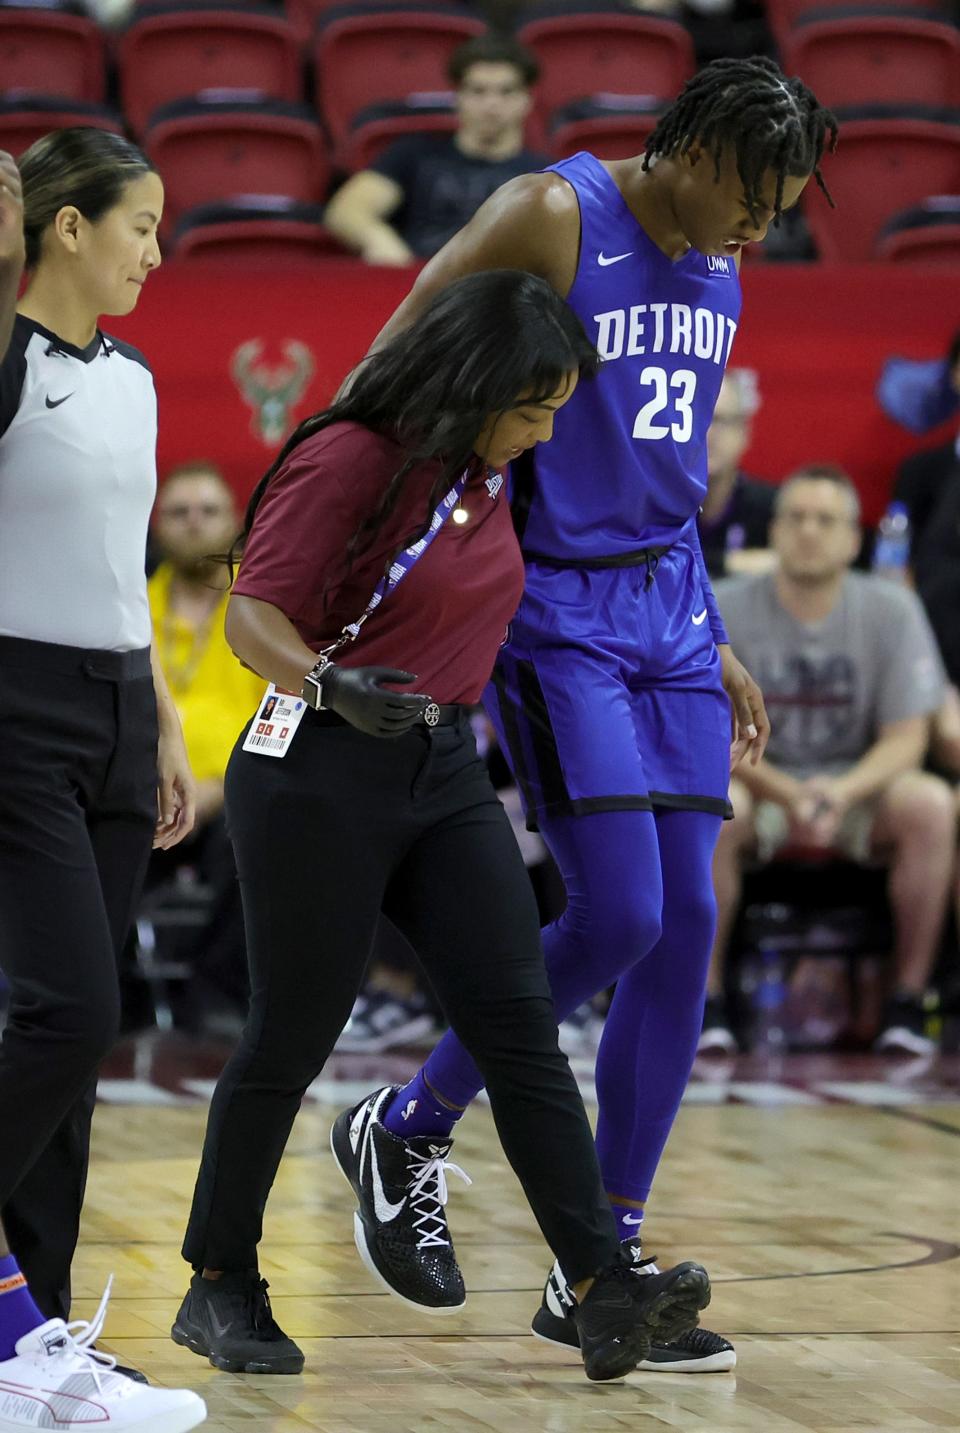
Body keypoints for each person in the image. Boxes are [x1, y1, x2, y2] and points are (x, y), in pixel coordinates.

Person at [333, 55, 837, 1375]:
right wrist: (355, 523)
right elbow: (406, 342)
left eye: (785, 207)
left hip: (670, 610)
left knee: (687, 933)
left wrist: (715, 629)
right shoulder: (556, 215)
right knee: (619, 913)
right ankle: (406, 1120)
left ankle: (596, 1268)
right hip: (556, 612)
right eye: (755, 194)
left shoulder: (725, 255)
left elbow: (664, 468)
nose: (762, 226)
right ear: (691, 147)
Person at [169, 270, 712, 1385]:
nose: (546, 429)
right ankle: (218, 1281)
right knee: (293, 1032)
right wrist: (328, 684)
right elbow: (253, 614)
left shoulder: (489, 473)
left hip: (439, 765)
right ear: (477, 384)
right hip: (317, 767)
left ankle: (600, 1282)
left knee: (519, 1020)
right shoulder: (351, 454)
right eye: (534, 405)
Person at [0, 131, 205, 1429]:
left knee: (75, 1052)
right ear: (65, 227)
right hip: (13, 714)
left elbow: (116, 570)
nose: (155, 248)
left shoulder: (131, 376)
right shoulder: (8, 360)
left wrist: (170, 720)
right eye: (138, 223)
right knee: (65, 1011)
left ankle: (31, 1349)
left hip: (123, 717)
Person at [703, 465, 954, 1056]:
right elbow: (709, 734)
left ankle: (910, 1001)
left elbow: (907, 737)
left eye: (826, 520)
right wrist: (790, 793)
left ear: (853, 539)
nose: (809, 532)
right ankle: (705, 1001)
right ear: (775, 530)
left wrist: (839, 795)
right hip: (760, 786)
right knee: (713, 804)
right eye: (795, 518)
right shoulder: (723, 609)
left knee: (931, 803)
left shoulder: (893, 610)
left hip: (858, 791)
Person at [146, 463, 265, 1027]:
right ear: (155, 525)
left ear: (237, 522)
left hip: (230, 798)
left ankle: (216, 994)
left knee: (262, 829)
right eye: (178, 512)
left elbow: (280, 717)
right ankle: (114, 998)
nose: (194, 524)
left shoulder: (265, 609)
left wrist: (216, 788)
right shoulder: (129, 604)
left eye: (208, 511)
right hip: (133, 796)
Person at [324, 35, 546, 266]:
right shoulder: (413, 155)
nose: (491, 104)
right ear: (458, 97)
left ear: (527, 99)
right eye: (478, 91)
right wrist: (379, 240)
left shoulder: (545, 175)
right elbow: (346, 211)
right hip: (420, 285)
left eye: (506, 91)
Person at [698, 367, 776, 578]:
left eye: (720, 420)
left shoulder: (774, 509)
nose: (708, 432)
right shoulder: (653, 508)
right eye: (697, 418)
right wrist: (728, 562)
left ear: (744, 432)